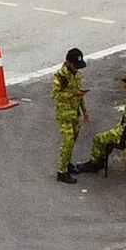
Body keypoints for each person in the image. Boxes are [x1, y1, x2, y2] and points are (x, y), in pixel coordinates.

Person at [51, 48, 88, 182]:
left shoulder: (76, 75)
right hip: (65, 114)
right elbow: (55, 95)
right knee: (67, 142)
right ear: (68, 63)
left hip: (75, 113)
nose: (76, 69)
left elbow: (80, 94)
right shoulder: (60, 76)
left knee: (72, 141)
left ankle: (67, 163)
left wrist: (85, 111)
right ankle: (62, 171)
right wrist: (72, 94)